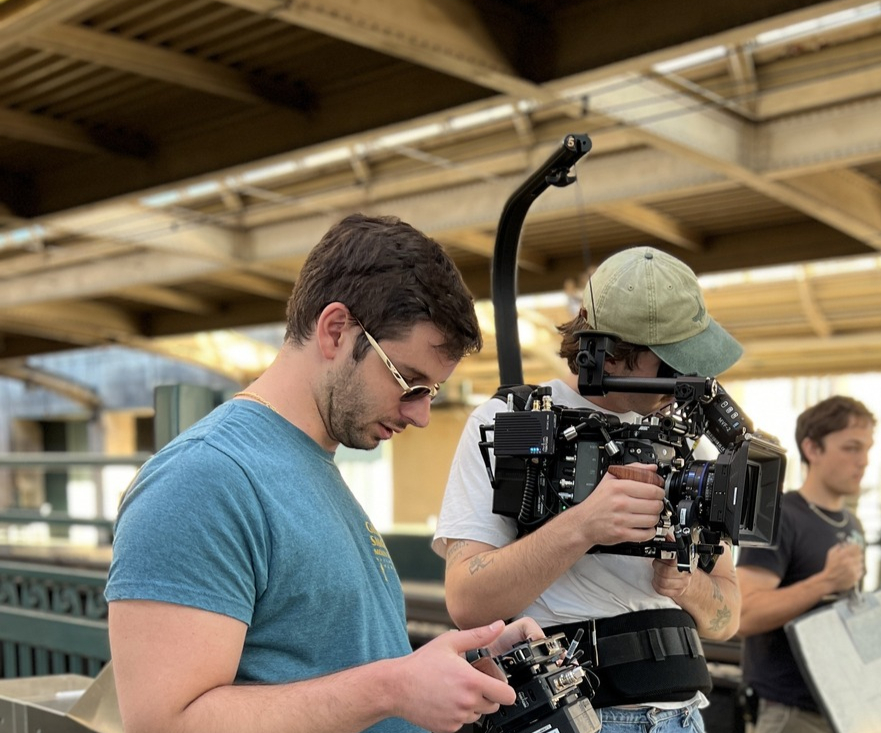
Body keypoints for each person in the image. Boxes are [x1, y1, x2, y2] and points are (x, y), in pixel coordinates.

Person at [105, 214, 543, 733]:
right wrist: (392, 688)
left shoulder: (315, 467)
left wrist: (459, 666)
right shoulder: (201, 480)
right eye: (409, 381)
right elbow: (163, 723)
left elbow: (335, 665)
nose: (421, 414)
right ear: (336, 331)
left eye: (431, 392)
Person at [434, 246, 746, 733]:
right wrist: (583, 526)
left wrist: (689, 585)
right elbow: (467, 601)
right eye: (671, 363)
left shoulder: (687, 440)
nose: (684, 380)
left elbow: (728, 616)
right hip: (580, 715)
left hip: (685, 714)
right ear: (611, 351)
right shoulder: (512, 421)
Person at [736, 395, 881, 733]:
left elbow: (844, 612)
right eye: (851, 448)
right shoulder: (780, 516)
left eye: (867, 449)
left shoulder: (852, 524)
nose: (864, 461)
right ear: (812, 449)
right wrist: (825, 582)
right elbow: (744, 614)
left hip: (843, 705)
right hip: (790, 713)